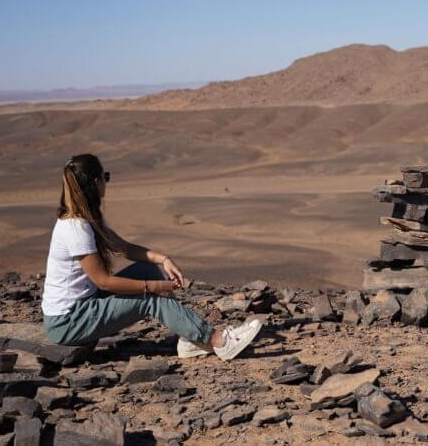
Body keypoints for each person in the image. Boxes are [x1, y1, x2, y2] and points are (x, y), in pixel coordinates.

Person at [41, 153, 262, 360]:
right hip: (68, 322)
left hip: (84, 305)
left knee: (147, 269)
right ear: (95, 182)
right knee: (151, 297)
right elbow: (104, 282)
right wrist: (152, 287)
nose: (106, 183)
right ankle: (218, 341)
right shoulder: (76, 227)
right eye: (105, 177)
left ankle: (189, 339)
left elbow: (125, 248)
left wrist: (162, 259)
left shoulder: (88, 219)